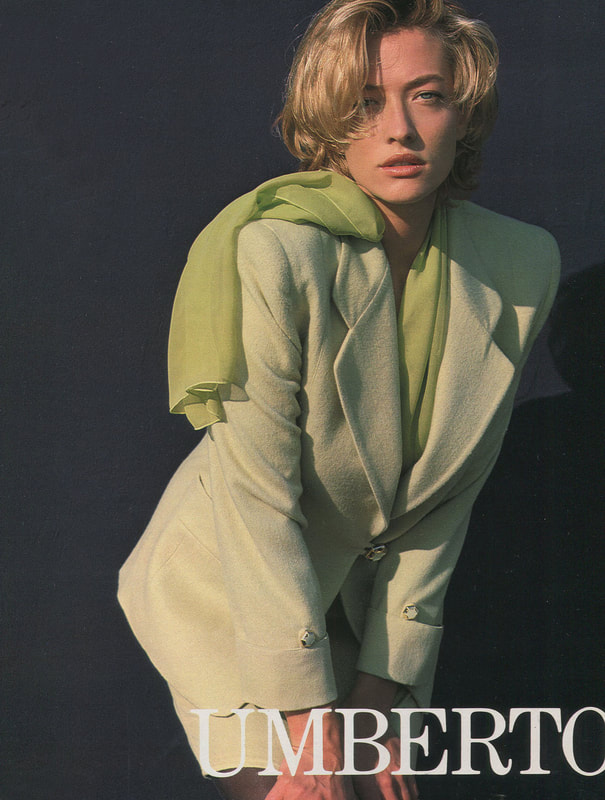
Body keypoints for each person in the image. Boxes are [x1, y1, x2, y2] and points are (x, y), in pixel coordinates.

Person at [118, 1, 560, 798]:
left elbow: (446, 504)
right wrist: (309, 727)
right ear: (328, 122)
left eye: (427, 96)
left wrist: (379, 701)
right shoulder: (276, 253)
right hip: (234, 595)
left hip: (367, 614)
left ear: (463, 114)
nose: (398, 129)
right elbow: (259, 504)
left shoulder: (518, 262)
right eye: (364, 103)